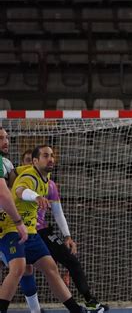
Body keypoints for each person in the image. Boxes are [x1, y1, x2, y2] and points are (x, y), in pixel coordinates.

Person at [0, 144, 99, 313]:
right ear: (35, 161)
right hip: (11, 229)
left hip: (31, 232)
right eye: (46, 156)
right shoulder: (30, 177)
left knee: (51, 267)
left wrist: (67, 235)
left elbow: (13, 172)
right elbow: (20, 190)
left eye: (52, 155)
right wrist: (36, 196)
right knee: (19, 269)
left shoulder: (46, 178)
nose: (51, 159)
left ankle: (75, 309)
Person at [0, 128, 29, 313]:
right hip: (8, 223)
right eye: (1, 138)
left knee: (19, 267)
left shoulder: (7, 163)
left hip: (4, 224)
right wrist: (19, 222)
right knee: (19, 267)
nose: (6, 141)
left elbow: (13, 184)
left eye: (7, 137)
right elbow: (3, 194)